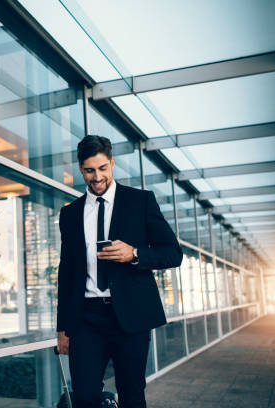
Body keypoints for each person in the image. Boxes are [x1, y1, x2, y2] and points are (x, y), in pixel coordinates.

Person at [56, 135, 182, 408]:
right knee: (85, 396)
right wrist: (62, 329)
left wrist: (135, 254)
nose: (97, 177)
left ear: (112, 164)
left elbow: (173, 253)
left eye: (102, 168)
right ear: (80, 169)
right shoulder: (70, 214)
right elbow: (66, 273)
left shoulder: (141, 202)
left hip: (131, 315)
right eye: (90, 170)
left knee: (132, 395)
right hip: (86, 317)